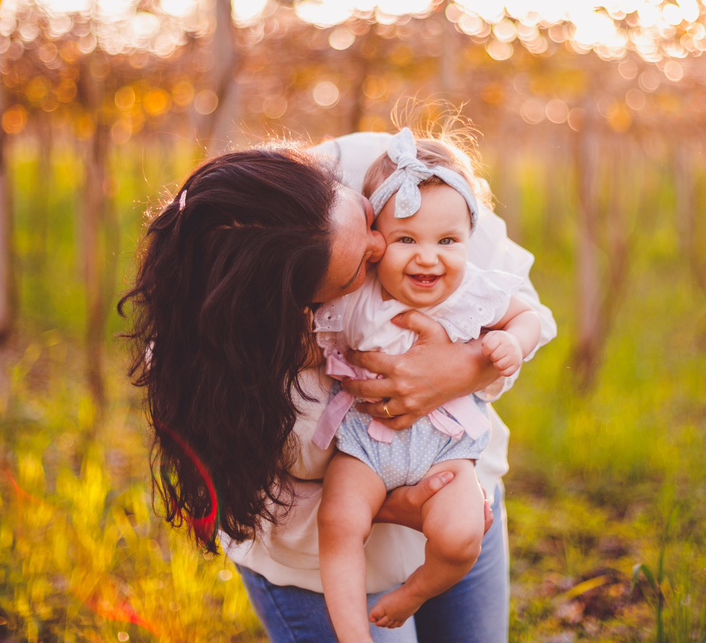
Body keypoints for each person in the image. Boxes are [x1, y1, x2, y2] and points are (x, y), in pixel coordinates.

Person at [120, 129, 556, 643]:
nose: (383, 247)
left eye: (366, 220)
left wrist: (464, 369)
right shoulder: (213, 370)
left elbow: (510, 297)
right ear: (295, 306)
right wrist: (387, 504)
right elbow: (248, 497)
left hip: (458, 492)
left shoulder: (390, 169)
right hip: (316, 566)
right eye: (357, 271)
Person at [314, 129, 542, 642]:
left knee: (463, 535)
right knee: (340, 522)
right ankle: (352, 633)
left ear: (467, 239)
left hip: (446, 449)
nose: (428, 258)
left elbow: (528, 315)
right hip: (366, 443)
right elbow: (310, 339)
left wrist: (514, 344)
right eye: (407, 240)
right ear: (376, 243)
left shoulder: (473, 293)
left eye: (447, 241)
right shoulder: (356, 293)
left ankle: (418, 590)